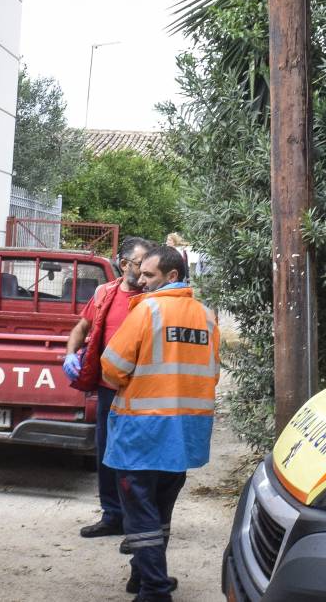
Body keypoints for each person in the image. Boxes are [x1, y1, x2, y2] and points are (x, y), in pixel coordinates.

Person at [100, 244, 220, 601]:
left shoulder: (147, 310)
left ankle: (154, 588)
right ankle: (143, 575)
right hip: (185, 433)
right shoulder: (207, 316)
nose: (141, 280)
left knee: (138, 513)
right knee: (160, 509)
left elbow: (112, 367)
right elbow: (211, 373)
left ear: (172, 276)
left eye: (148, 274)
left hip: (143, 430)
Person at [62, 236, 152, 540]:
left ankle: (138, 526)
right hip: (107, 390)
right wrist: (70, 354)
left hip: (142, 393)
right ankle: (112, 515)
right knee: (106, 455)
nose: (145, 271)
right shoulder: (104, 294)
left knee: (137, 459)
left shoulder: (154, 299)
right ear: (124, 264)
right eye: (141, 264)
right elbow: (81, 328)